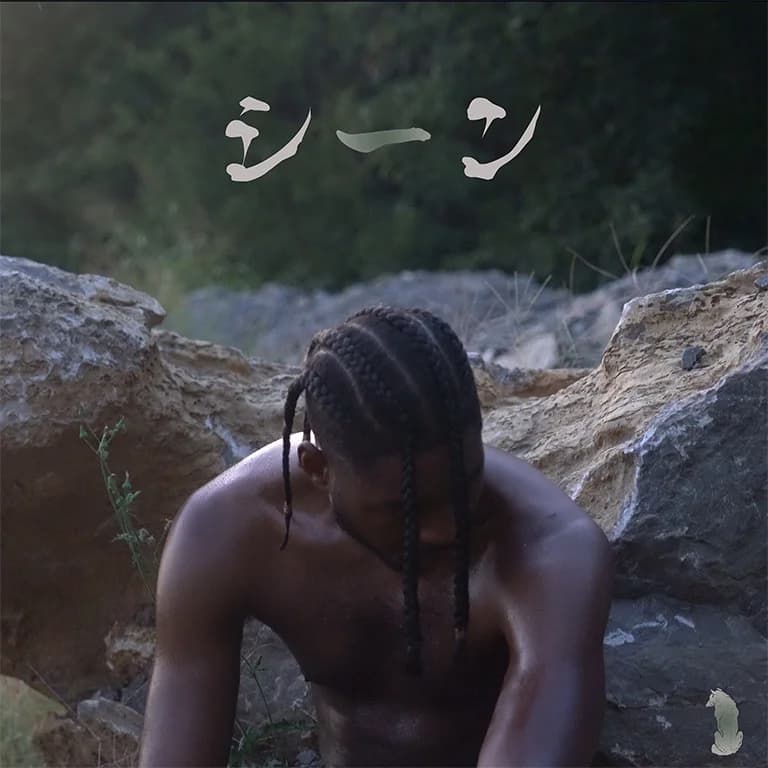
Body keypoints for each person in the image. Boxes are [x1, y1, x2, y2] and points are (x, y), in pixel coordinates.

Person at [138, 305, 615, 768]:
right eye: (406, 511)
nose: (446, 528)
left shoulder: (549, 552)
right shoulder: (227, 530)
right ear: (318, 469)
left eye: (464, 484)